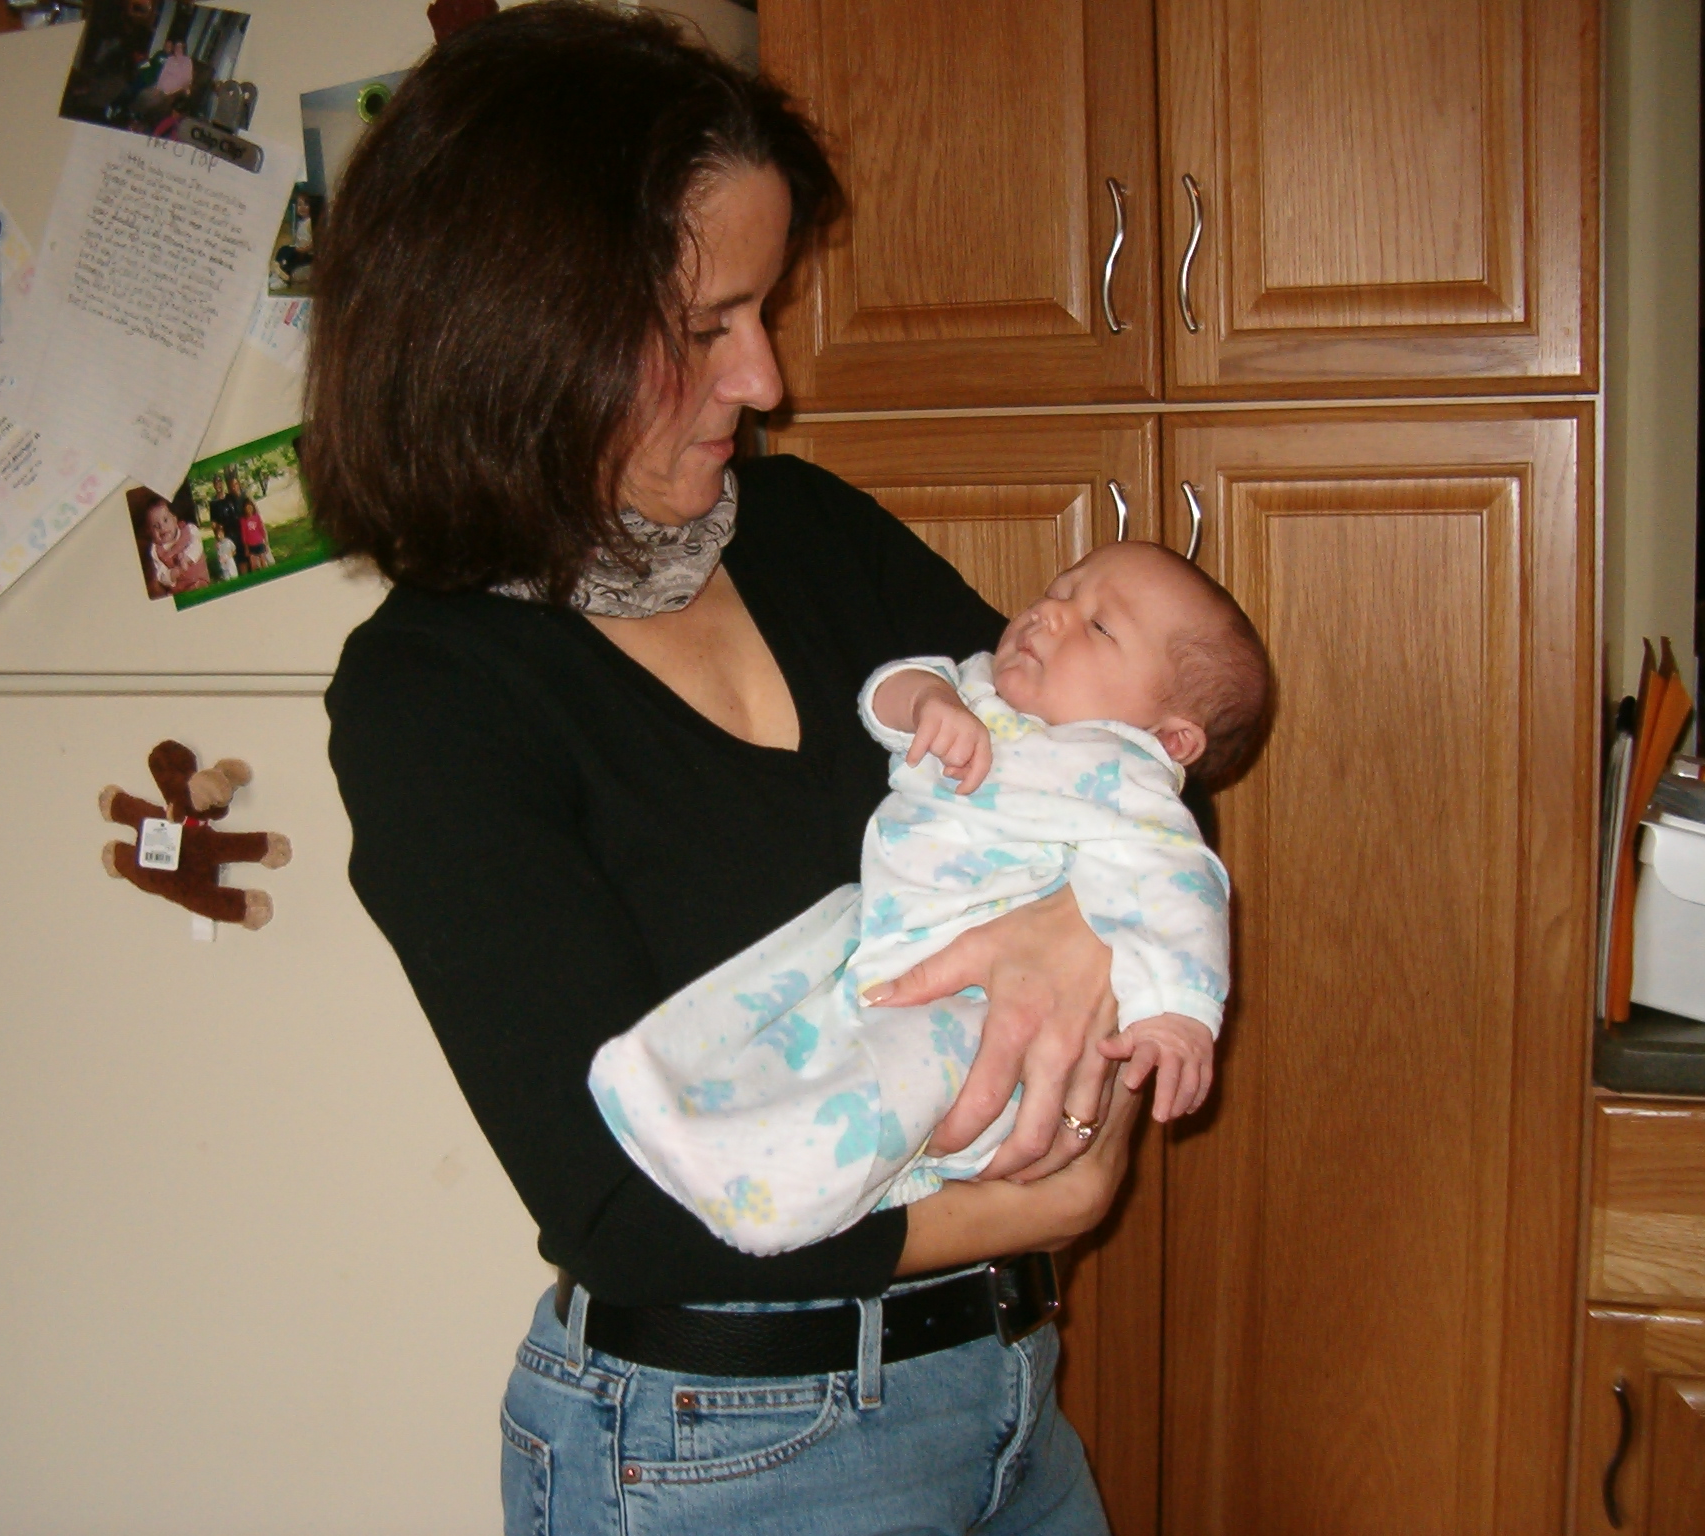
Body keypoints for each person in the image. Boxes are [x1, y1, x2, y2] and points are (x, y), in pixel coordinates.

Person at [314, 6, 1143, 1530]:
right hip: (726, 1453)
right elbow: (621, 1209)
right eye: (706, 327)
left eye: (762, 312)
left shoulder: (811, 534)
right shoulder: (435, 698)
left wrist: (1083, 926)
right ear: (517, 327)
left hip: (1008, 1394)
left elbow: (1124, 761)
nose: (763, 379)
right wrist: (1048, 1201)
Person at [593, 541, 1272, 1255]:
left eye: (1100, 626)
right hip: (879, 940)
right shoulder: (980, 688)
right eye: (1060, 591)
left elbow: (1184, 892)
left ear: (1171, 740)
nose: (1050, 614)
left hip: (978, 1009)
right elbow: (885, 695)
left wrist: (1180, 1015)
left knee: (890, 1079)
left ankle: (775, 1198)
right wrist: (930, 701)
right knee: (777, 1006)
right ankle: (671, 1094)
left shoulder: (1129, 779)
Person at [140, 495, 207, 596]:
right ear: (149, 532)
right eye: (155, 526)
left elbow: (197, 545)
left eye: (165, 520)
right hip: (180, 589)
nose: (162, 527)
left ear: (175, 520)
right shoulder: (155, 551)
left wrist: (186, 558)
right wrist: (174, 573)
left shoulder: (189, 530)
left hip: (199, 579)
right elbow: (160, 574)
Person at [231, 475, 273, 569]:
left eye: (236, 484)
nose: (234, 487)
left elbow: (261, 526)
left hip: (258, 539)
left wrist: (265, 540)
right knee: (254, 563)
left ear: (239, 485)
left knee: (264, 559)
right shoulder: (232, 499)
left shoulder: (245, 495)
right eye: (232, 485)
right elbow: (244, 534)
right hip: (249, 539)